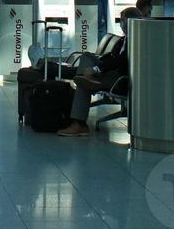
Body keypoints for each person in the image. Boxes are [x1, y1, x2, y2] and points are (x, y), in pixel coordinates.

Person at [58, 7, 139, 137]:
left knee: (83, 83)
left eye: (123, 21)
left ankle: (79, 123)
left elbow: (121, 61)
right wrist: (98, 62)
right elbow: (112, 56)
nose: (121, 24)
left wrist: (97, 68)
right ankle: (88, 79)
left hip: (118, 78)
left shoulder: (136, 40)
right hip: (110, 72)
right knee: (86, 57)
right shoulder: (124, 39)